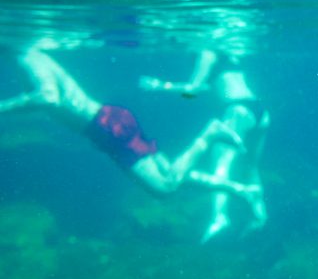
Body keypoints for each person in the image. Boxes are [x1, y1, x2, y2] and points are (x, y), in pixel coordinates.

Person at [0, 45, 249, 197]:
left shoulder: (26, 56)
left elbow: (49, 97)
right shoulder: (31, 54)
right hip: (108, 122)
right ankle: (239, 190)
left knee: (165, 187)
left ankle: (210, 133)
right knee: (166, 172)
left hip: (105, 127)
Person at [141, 49, 269, 241]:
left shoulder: (207, 52)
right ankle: (260, 214)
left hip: (237, 110)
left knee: (221, 166)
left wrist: (160, 86)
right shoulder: (231, 52)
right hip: (260, 110)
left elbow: (192, 90)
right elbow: (202, 90)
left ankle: (220, 217)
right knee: (251, 166)